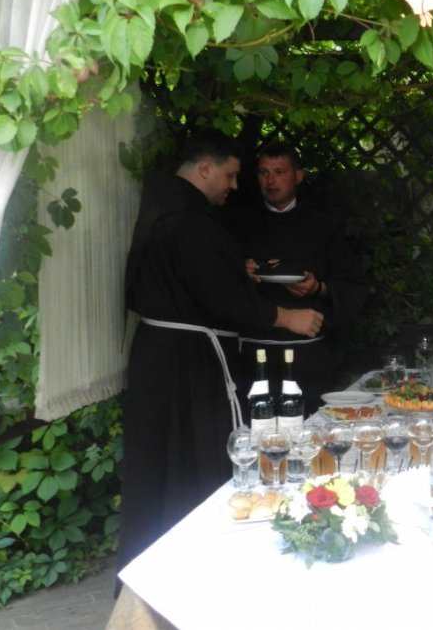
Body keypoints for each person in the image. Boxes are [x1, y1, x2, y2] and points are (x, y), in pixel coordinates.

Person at [119, 130, 323, 587]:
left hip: (164, 356)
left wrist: (233, 270)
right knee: (193, 463)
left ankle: (155, 574)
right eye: (230, 175)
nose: (235, 185)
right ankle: (195, 575)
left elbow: (198, 276)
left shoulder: (167, 206)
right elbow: (218, 296)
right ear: (205, 168)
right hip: (186, 363)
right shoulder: (186, 218)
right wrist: (285, 317)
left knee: (160, 468)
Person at [226, 142, 367, 416]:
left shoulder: (322, 226)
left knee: (309, 429)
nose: (270, 181)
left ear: (298, 176)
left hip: (307, 358)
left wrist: (319, 287)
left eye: (279, 172)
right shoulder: (237, 225)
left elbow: (353, 283)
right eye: (264, 173)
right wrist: (240, 271)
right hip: (253, 355)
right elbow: (216, 283)